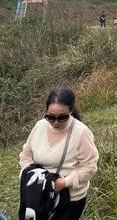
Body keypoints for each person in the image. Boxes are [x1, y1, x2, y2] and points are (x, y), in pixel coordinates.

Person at [19, 87, 99, 220]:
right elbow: (26, 153)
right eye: (50, 117)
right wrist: (27, 173)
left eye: (62, 117)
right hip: (40, 194)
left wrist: (65, 182)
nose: (55, 122)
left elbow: (90, 167)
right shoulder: (39, 126)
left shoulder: (81, 133)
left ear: (71, 111)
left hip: (69, 199)